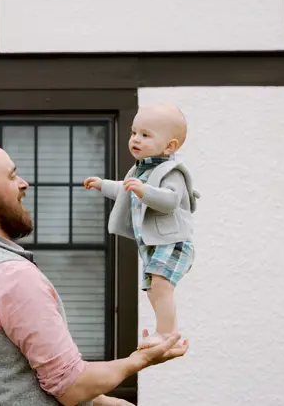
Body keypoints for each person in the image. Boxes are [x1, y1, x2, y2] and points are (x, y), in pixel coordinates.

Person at [0, 137, 188, 406]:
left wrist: (103, 403)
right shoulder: (11, 276)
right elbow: (71, 386)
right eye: (12, 176)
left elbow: (15, 376)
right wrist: (141, 359)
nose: (23, 183)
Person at [84, 104, 199, 350]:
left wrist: (144, 190)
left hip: (173, 241)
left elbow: (169, 200)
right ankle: (166, 331)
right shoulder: (139, 170)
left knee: (160, 284)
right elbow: (124, 191)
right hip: (153, 244)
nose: (135, 139)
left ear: (170, 147)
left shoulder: (172, 172)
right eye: (134, 132)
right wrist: (102, 184)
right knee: (153, 290)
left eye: (145, 135)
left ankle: (166, 333)